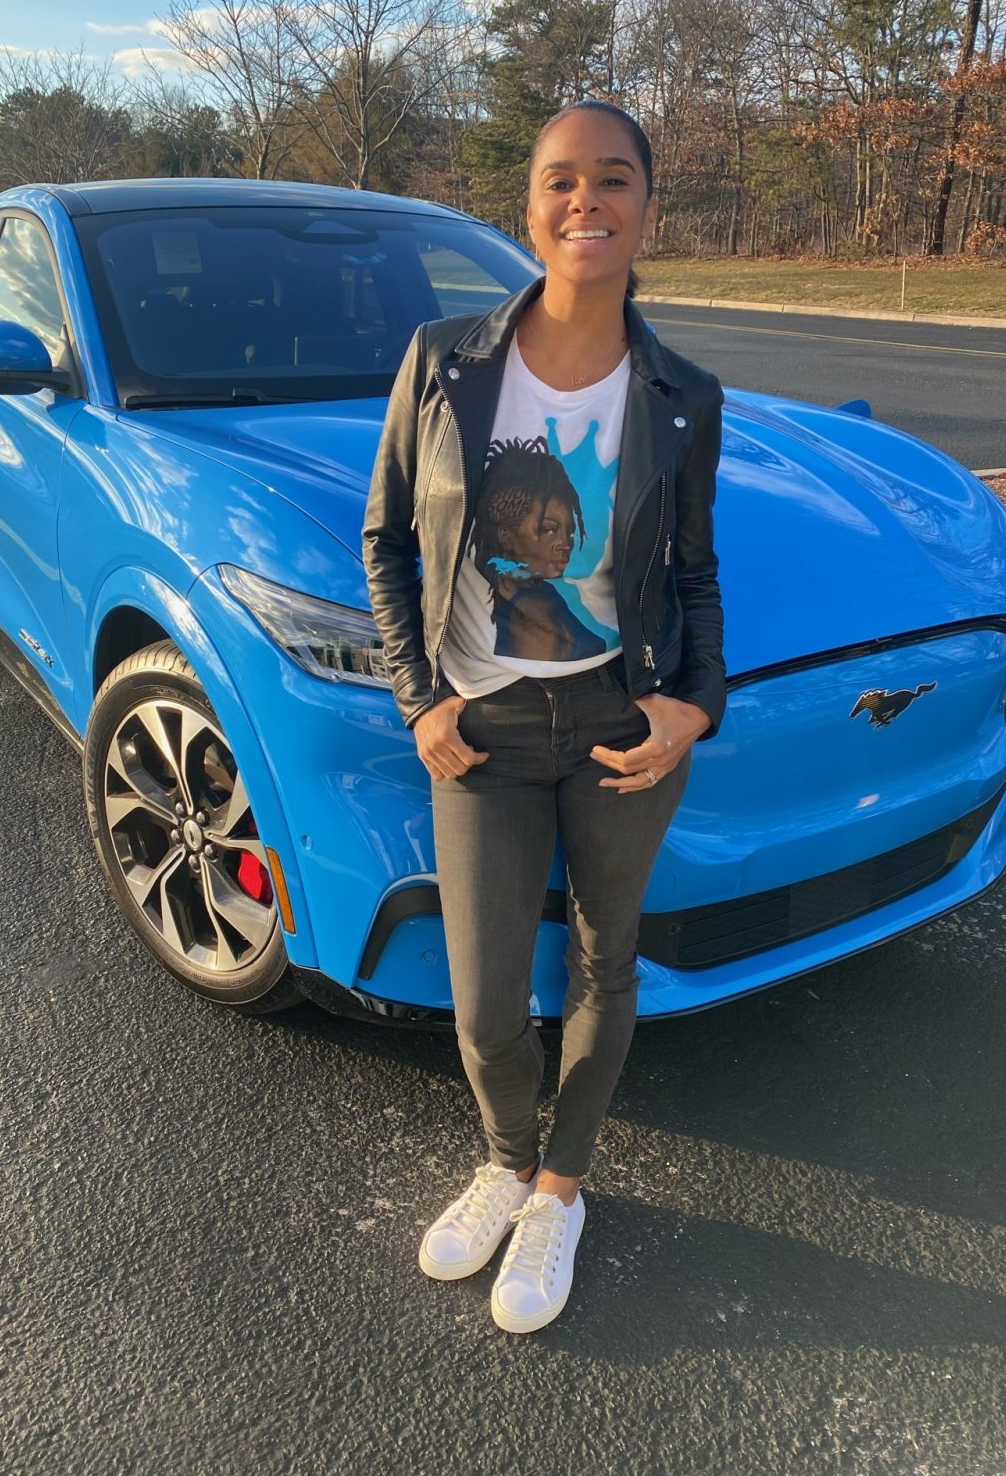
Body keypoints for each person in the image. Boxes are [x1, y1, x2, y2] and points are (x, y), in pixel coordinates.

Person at [362, 98, 727, 1334]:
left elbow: (694, 571)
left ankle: (561, 1190)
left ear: (648, 209)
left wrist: (694, 707)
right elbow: (386, 540)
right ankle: (507, 1162)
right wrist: (419, 697)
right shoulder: (446, 361)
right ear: (528, 208)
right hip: (484, 729)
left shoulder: (681, 392)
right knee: (482, 1001)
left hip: (623, 723)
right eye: (562, 179)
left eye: (614, 178)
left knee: (603, 965)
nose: (587, 200)